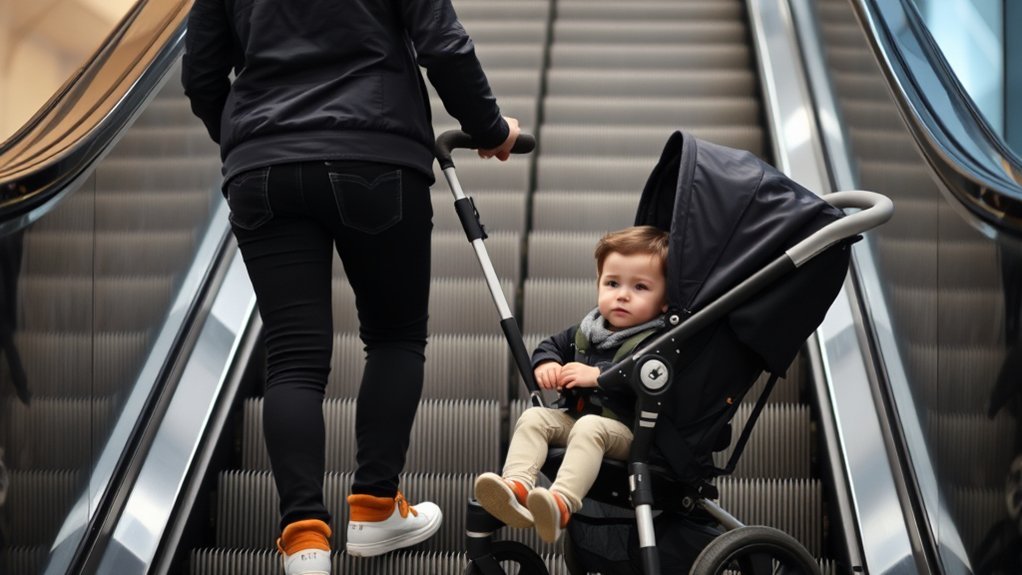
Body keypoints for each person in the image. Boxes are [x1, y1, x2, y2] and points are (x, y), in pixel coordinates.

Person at [181, 0, 520, 573]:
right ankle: (374, 509)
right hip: (376, 153)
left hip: (262, 165)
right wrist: (490, 128)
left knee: (292, 355)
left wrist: (249, 135)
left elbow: (201, 74)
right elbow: (443, 43)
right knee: (394, 336)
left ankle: (305, 541)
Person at [475, 226, 669, 543]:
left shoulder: (657, 343)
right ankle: (517, 486)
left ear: (665, 301)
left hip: (629, 432)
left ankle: (561, 502)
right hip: (577, 419)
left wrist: (599, 376)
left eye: (640, 287)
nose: (622, 294)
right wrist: (547, 363)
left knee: (590, 426)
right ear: (598, 284)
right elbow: (550, 345)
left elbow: (646, 381)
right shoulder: (588, 329)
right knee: (535, 417)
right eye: (612, 283)